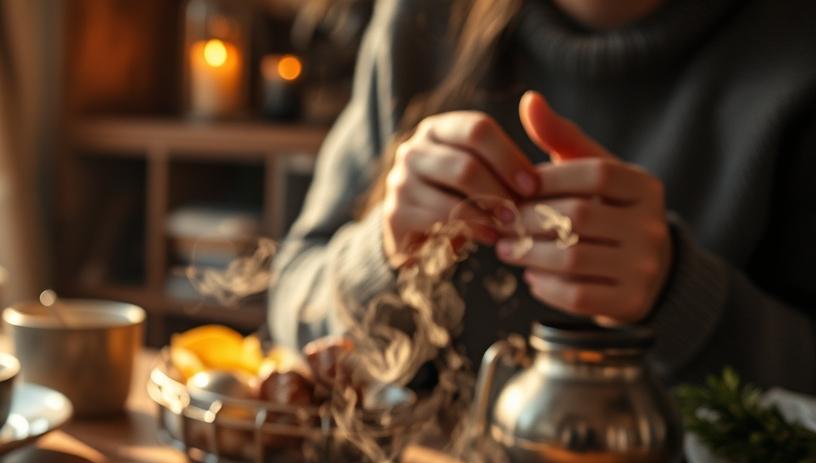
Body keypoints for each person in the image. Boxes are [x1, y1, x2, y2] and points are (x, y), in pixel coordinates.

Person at [269, 0, 816, 390]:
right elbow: (292, 294)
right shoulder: (423, 18)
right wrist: (382, 254)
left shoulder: (793, 48)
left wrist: (679, 294)